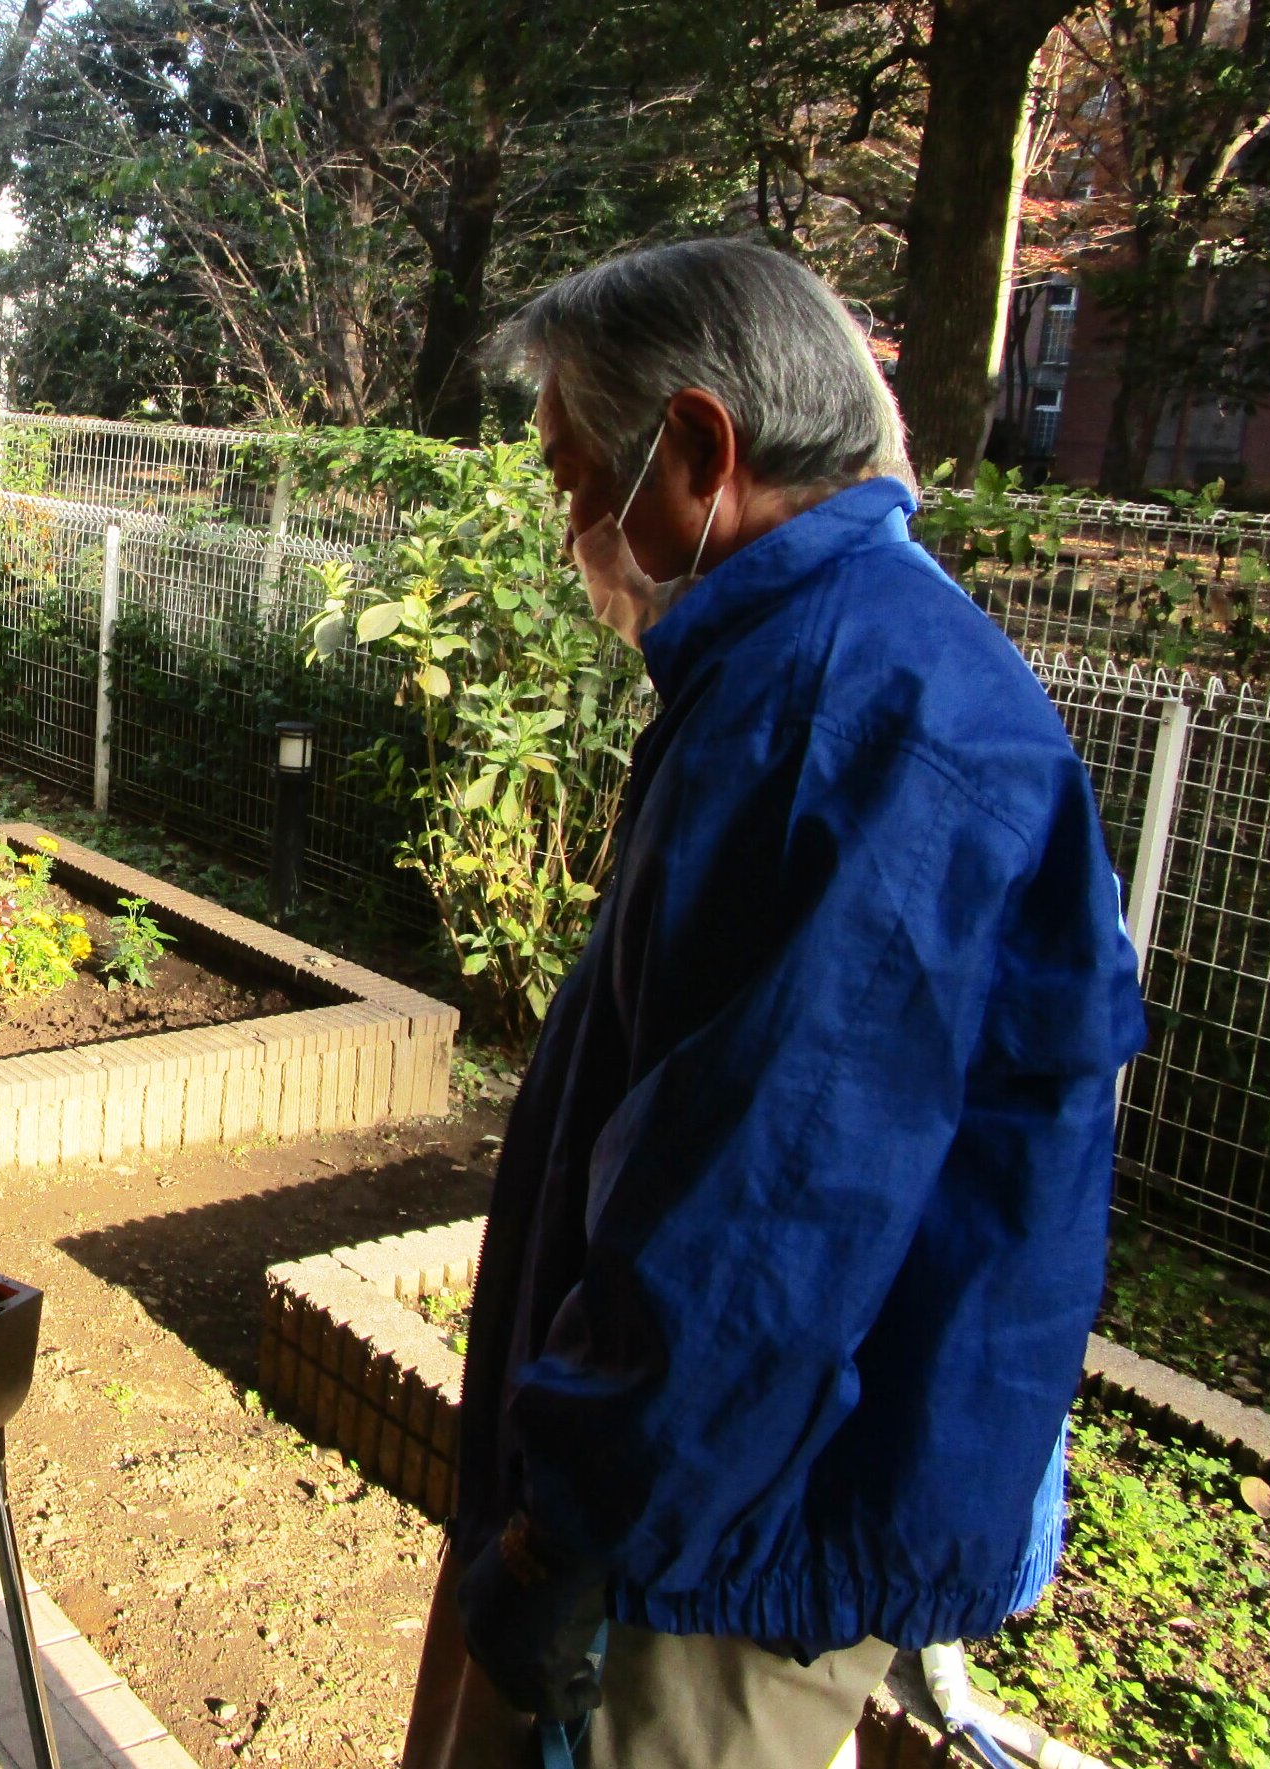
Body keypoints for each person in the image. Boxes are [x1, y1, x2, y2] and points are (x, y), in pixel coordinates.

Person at [401, 239, 1148, 1769]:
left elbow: (761, 1221)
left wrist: (568, 1532)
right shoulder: (808, 659)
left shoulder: (846, 716)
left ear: (693, 453)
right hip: (695, 1509)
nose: (567, 533)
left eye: (572, 478)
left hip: (704, 1556)